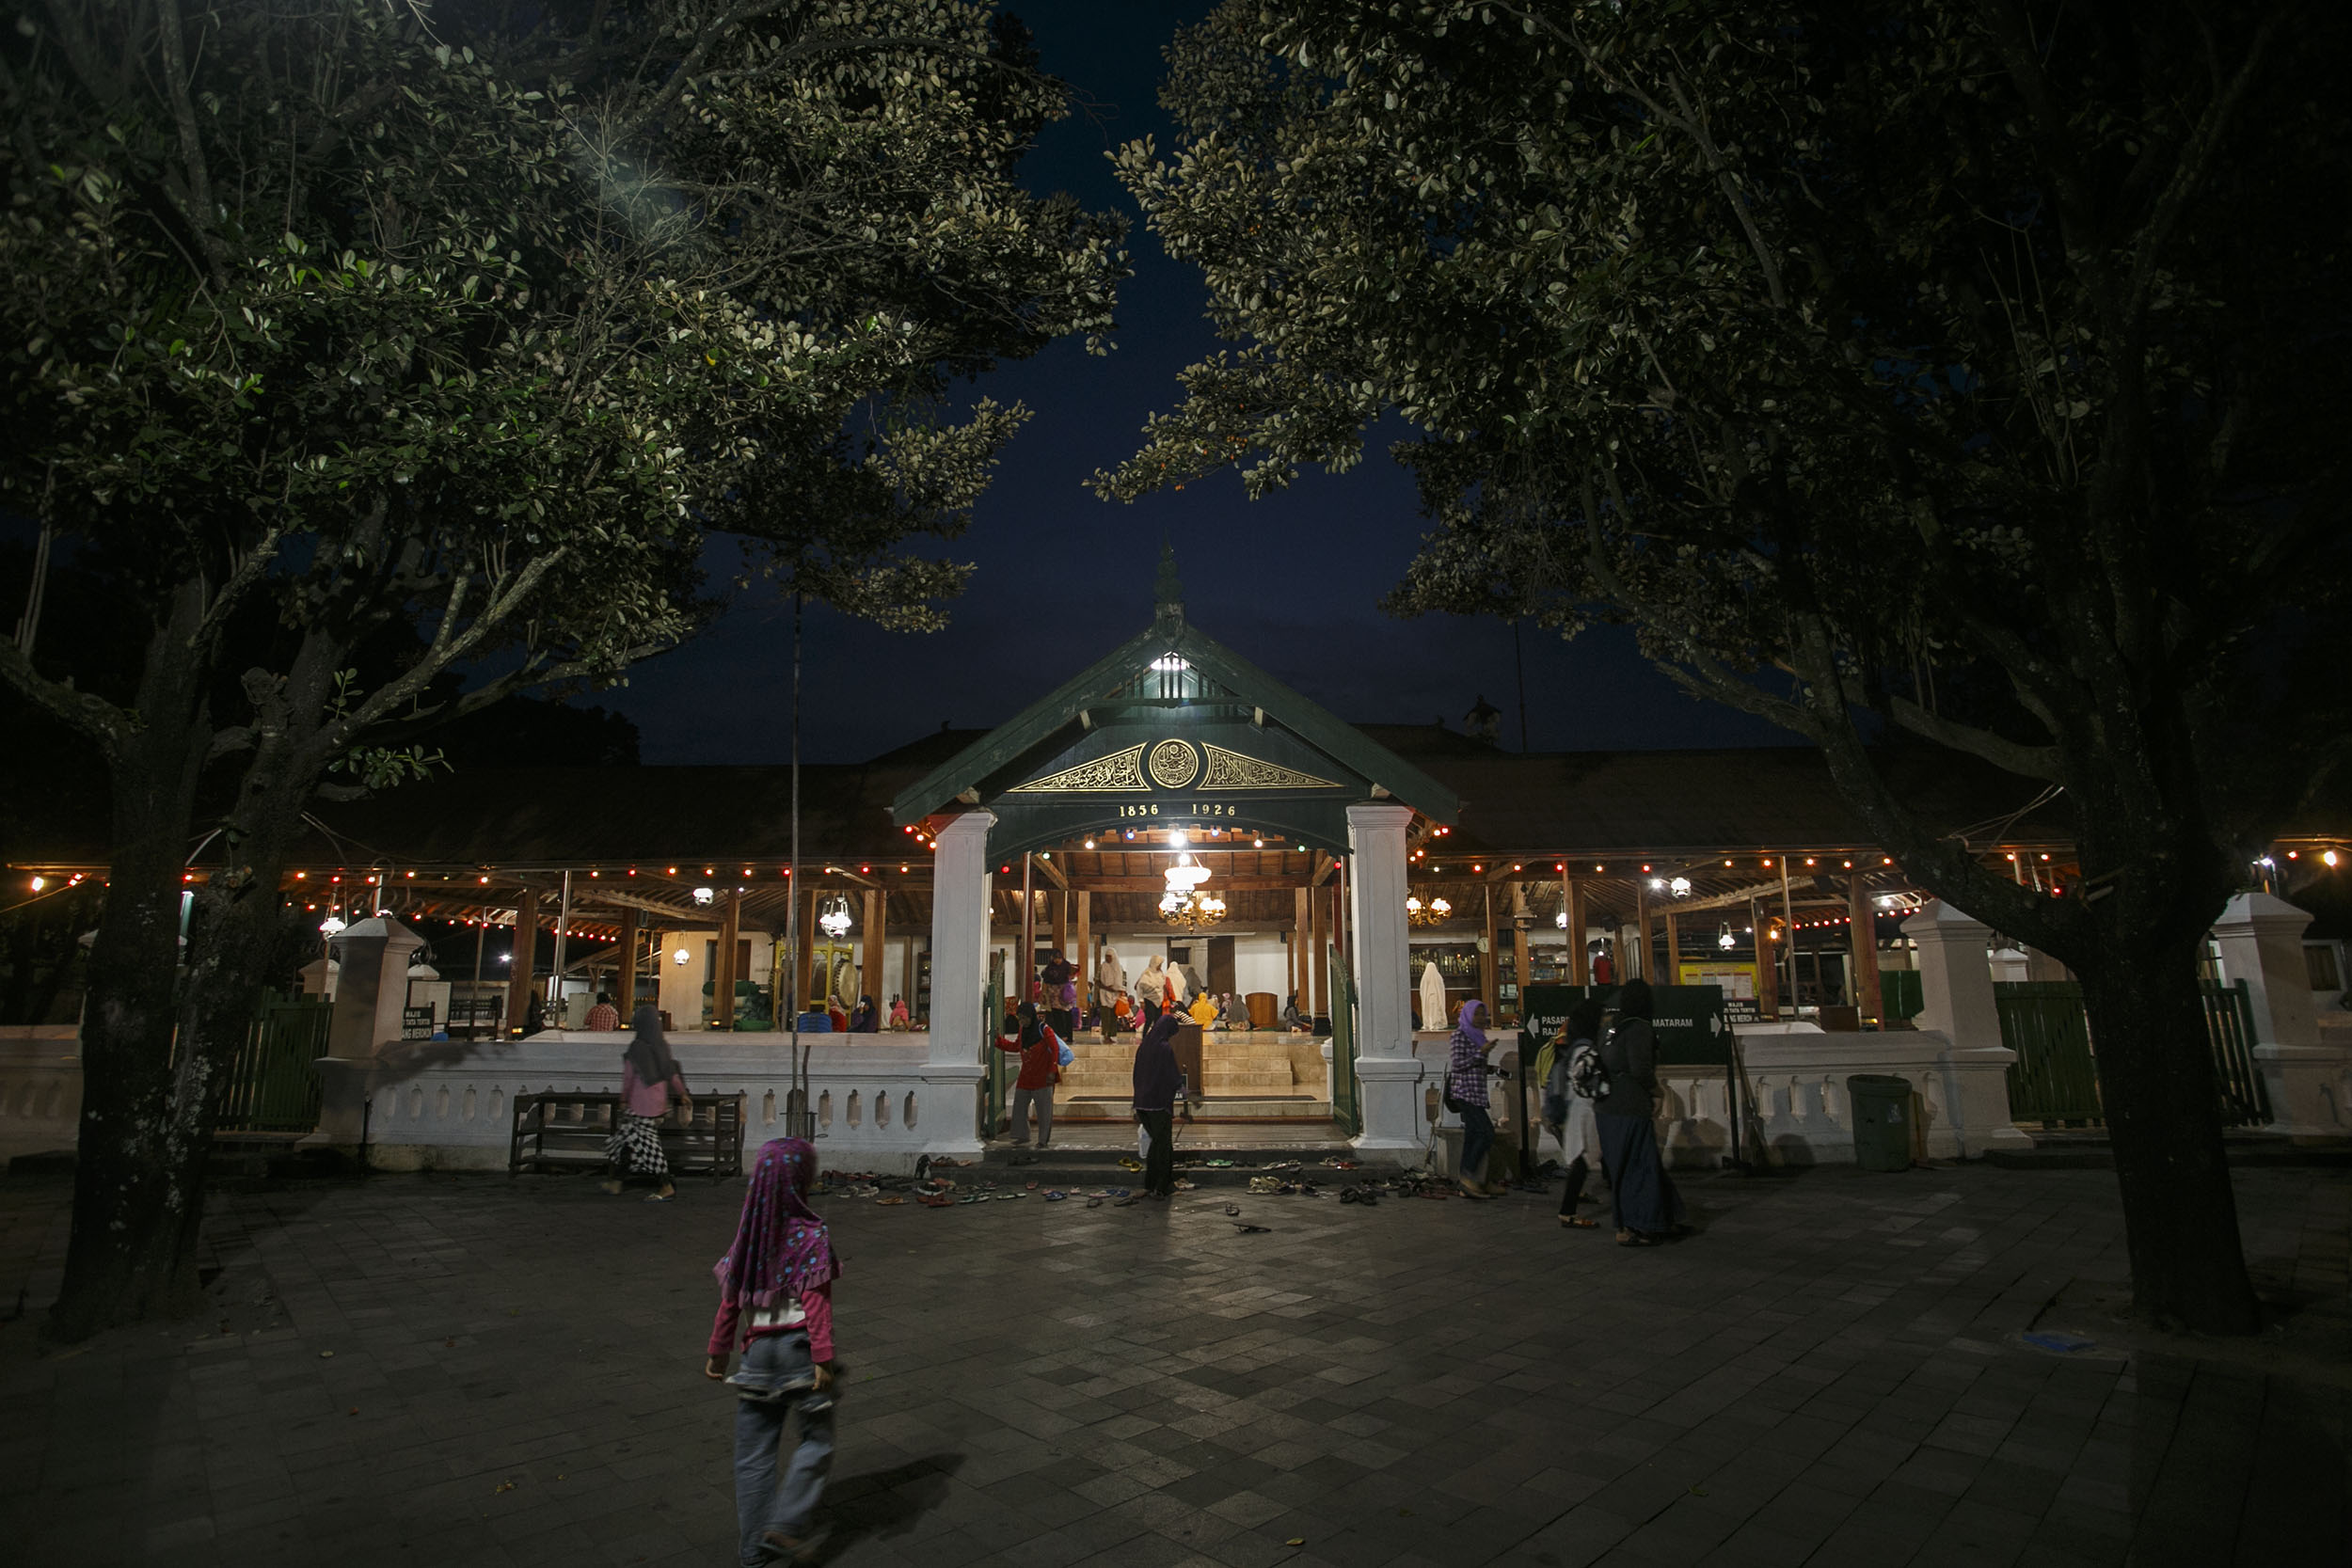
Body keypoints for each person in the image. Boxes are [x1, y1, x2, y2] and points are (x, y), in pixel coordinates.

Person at [705, 1137, 839, 1567]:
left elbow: (730, 1300)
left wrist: (718, 1351)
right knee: (816, 1440)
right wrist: (823, 1357)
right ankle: (784, 1525)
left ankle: (752, 1555)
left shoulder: (747, 1238)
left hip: (757, 1355)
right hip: (800, 1350)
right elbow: (817, 1304)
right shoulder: (811, 1233)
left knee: (753, 1456)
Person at [1595, 978, 1687, 1246]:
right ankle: (1644, 1224)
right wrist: (1658, 1092)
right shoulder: (1640, 1028)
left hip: (1606, 1105)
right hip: (1629, 1104)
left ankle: (1631, 1222)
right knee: (1641, 1164)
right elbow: (1641, 1070)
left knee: (1621, 1167)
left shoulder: (1612, 1027)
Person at [605, 1005, 688, 1202]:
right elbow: (671, 1073)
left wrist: (624, 1099)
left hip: (639, 1104)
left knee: (649, 1147)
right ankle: (617, 1181)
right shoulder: (661, 1045)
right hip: (658, 1104)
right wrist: (682, 1093)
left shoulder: (637, 1048)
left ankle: (666, 1184)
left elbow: (629, 1078)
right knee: (626, 1140)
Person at [1544, 997, 1609, 1229]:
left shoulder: (1574, 1044)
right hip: (1585, 1110)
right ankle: (1568, 1211)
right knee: (1584, 1158)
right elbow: (1586, 1078)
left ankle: (1569, 1209)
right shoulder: (1586, 1047)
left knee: (1586, 1158)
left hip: (1579, 1109)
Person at [1446, 999, 1504, 1199]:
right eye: (1476, 1014)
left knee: (1473, 1136)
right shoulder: (1460, 1035)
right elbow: (1458, 1064)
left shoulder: (1479, 1037)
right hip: (1465, 1093)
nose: (1480, 1018)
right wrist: (1481, 1054)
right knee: (1485, 1133)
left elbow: (1474, 1064)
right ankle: (1470, 1176)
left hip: (1477, 1093)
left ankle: (1473, 1180)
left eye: (1483, 1014)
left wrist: (1489, 1066)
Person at [993, 1002, 1062, 1148]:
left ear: (1031, 1016)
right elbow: (1016, 1046)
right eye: (1020, 1018)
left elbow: (1055, 1049)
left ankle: (1043, 1140)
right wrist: (999, 1041)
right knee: (1020, 1105)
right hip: (1027, 1074)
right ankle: (1022, 1135)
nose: (1022, 1021)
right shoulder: (1022, 1031)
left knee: (1044, 1110)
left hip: (1043, 1075)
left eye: (1025, 1018)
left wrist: (1052, 1070)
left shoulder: (1044, 1030)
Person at [1133, 1013, 1182, 1198]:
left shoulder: (1144, 1047)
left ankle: (1150, 1184)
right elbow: (1172, 1076)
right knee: (1164, 1146)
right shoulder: (1164, 1048)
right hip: (1158, 1104)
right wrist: (1186, 1094)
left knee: (1156, 1144)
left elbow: (1136, 1074)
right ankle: (1162, 1186)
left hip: (1142, 1104)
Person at [1136, 955, 1174, 1027]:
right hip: (1149, 999)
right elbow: (1139, 987)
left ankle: (1156, 1036)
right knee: (1150, 1019)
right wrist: (1141, 1000)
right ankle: (1146, 1037)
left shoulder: (1160, 974)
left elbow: (1163, 985)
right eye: (1159, 965)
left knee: (1158, 1020)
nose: (1160, 967)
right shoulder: (1146, 974)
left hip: (1160, 1000)